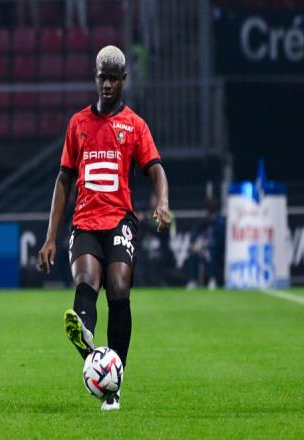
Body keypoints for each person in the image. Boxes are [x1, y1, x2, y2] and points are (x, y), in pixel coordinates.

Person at [38, 45, 171, 411]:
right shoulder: (78, 124)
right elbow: (63, 180)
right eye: (103, 78)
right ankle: (86, 337)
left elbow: (156, 169)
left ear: (124, 80)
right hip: (84, 222)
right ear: (95, 79)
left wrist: (162, 202)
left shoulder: (135, 126)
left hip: (119, 220)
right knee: (86, 281)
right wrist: (50, 237)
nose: (108, 84)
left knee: (118, 288)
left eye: (114, 78)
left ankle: (114, 381)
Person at [184, 197, 225, 289]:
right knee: (193, 254)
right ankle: (193, 280)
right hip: (203, 248)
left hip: (215, 249)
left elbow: (220, 240)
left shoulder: (220, 222)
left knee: (212, 254)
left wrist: (209, 245)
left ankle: (212, 279)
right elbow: (195, 231)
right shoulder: (204, 221)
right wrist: (193, 243)